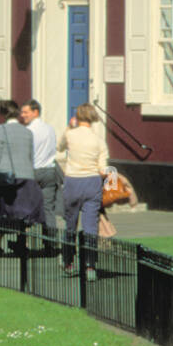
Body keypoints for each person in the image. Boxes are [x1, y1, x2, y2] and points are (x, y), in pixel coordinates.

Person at [56, 102, 108, 280]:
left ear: (78, 117)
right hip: (92, 182)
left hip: (72, 181)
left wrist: (68, 127)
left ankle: (68, 261)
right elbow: (103, 169)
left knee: (70, 224)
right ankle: (90, 266)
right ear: (93, 118)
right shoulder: (99, 141)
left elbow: (59, 147)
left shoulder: (70, 135)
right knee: (90, 227)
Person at [0, 99, 44, 256]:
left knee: (3, 212)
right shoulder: (27, 132)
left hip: (6, 177)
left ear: (3, 113)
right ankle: (22, 242)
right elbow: (30, 156)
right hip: (26, 176)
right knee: (22, 213)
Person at [20, 99, 60, 254]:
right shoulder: (50, 129)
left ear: (35, 112)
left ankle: (24, 241)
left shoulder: (28, 131)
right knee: (48, 208)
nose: (23, 115)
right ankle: (50, 242)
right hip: (49, 171)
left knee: (26, 207)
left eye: (25, 112)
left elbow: (26, 153)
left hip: (34, 171)